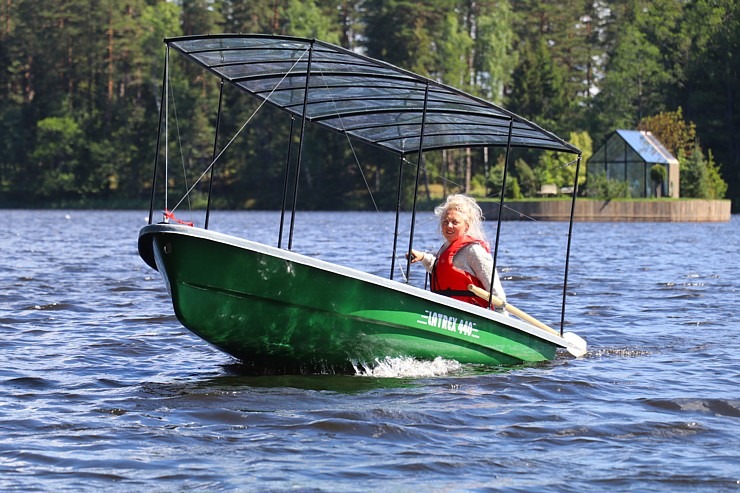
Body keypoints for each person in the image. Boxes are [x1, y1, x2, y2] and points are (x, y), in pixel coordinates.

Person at [409, 194, 506, 310]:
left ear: (466, 226)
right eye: (445, 222)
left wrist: (500, 318)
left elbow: (496, 291)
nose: (449, 226)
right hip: (444, 312)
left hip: (470, 315)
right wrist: (423, 257)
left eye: (455, 222)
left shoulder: (473, 251)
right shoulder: (445, 248)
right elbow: (442, 270)